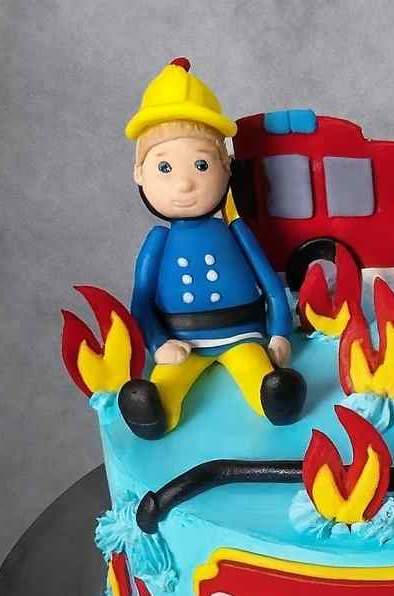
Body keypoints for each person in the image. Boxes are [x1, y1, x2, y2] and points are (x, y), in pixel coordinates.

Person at [118, 58, 305, 439]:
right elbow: (142, 302)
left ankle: (276, 401)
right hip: (183, 342)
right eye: (165, 168)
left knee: (259, 372)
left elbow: (272, 286)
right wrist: (158, 343)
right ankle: (153, 413)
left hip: (242, 334)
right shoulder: (158, 241)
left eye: (201, 165)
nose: (185, 184)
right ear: (139, 173)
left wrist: (280, 333)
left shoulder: (236, 231)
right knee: (166, 381)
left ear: (226, 167)